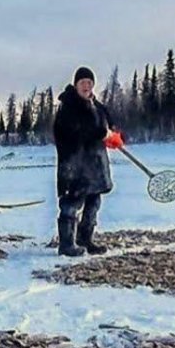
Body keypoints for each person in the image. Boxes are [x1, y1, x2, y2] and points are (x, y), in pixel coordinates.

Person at [53, 66, 121, 256]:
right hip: (74, 165)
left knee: (93, 203)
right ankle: (66, 244)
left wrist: (114, 134)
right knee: (71, 203)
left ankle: (85, 239)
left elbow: (108, 123)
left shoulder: (97, 107)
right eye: (83, 83)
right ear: (76, 85)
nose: (86, 86)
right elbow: (78, 131)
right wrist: (103, 133)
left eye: (89, 83)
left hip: (95, 165)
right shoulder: (68, 108)